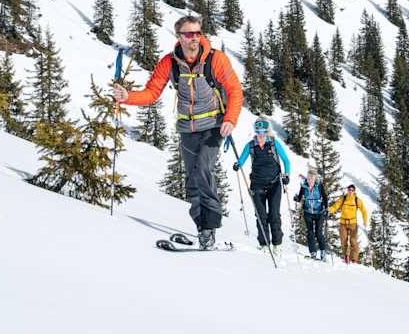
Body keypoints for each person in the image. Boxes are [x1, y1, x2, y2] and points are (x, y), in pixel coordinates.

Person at [112, 15, 242, 250]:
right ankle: (201, 228)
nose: (195, 38)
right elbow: (152, 93)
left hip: (214, 125)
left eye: (198, 33)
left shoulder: (215, 60)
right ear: (179, 37)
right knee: (192, 180)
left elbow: (234, 90)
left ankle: (209, 226)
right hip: (187, 128)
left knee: (204, 168)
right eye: (189, 34)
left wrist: (231, 119)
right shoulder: (169, 63)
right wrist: (127, 97)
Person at [234, 119, 291, 252]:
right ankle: (264, 244)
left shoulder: (274, 144)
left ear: (266, 133)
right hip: (257, 184)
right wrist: (237, 165)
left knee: (274, 215)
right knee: (261, 215)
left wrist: (287, 175)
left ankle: (277, 244)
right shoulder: (251, 146)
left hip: (275, 184)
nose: (260, 136)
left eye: (263, 133)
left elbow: (286, 161)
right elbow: (241, 159)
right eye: (258, 132)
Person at [328, 184, 368, 264]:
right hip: (343, 223)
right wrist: (329, 210)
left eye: (352, 190)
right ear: (347, 190)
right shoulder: (343, 199)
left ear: (354, 191)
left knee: (353, 241)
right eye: (349, 190)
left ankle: (354, 259)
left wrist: (365, 221)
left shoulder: (356, 200)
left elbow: (363, 210)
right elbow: (335, 206)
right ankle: (346, 257)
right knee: (343, 241)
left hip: (353, 223)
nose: (350, 191)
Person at [293, 170, 329, 260]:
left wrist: (326, 208)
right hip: (307, 212)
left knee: (318, 233)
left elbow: (324, 197)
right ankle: (313, 253)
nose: (310, 180)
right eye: (309, 178)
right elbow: (300, 197)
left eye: (312, 178)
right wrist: (297, 198)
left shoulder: (319, 186)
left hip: (319, 212)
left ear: (315, 179)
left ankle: (323, 253)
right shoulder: (304, 186)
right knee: (310, 233)